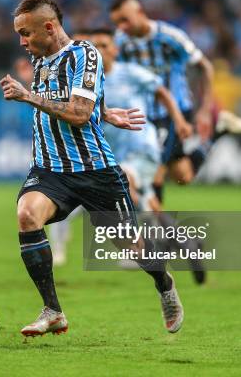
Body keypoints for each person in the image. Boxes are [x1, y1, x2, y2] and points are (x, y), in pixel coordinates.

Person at [0, 0, 184, 337]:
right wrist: (104, 110)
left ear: (50, 27)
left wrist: (29, 96)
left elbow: (79, 114)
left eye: (26, 33)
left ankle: (164, 282)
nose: (22, 42)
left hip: (94, 171)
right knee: (27, 215)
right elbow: (80, 104)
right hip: (50, 169)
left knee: (131, 245)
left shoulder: (84, 54)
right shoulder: (40, 59)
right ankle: (53, 310)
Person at [48, 29, 206, 285]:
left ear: (114, 49)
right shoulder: (82, 80)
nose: (98, 49)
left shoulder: (130, 73)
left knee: (126, 184)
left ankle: (136, 249)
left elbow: (162, 92)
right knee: (142, 200)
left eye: (104, 44)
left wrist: (178, 121)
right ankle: (185, 241)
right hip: (108, 153)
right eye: (93, 45)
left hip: (141, 148)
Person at [109, 0, 241, 203]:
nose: (121, 27)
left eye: (125, 20)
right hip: (140, 113)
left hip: (172, 111)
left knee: (153, 172)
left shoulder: (170, 36)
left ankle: (156, 232)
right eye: (117, 23)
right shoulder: (120, 42)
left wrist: (205, 109)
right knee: (183, 176)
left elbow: (205, 67)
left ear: (140, 12)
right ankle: (219, 130)